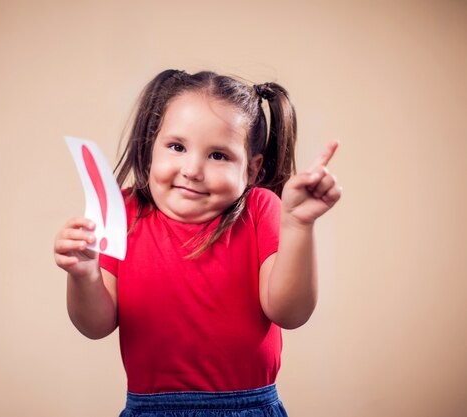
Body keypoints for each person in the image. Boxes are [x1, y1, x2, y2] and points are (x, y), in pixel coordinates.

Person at [54, 69, 342, 416]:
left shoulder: (261, 210)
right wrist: (84, 275)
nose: (192, 169)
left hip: (248, 408)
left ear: (251, 170)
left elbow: (290, 313)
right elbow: (95, 326)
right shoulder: (124, 212)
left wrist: (297, 224)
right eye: (177, 147)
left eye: (218, 155)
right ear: (150, 149)